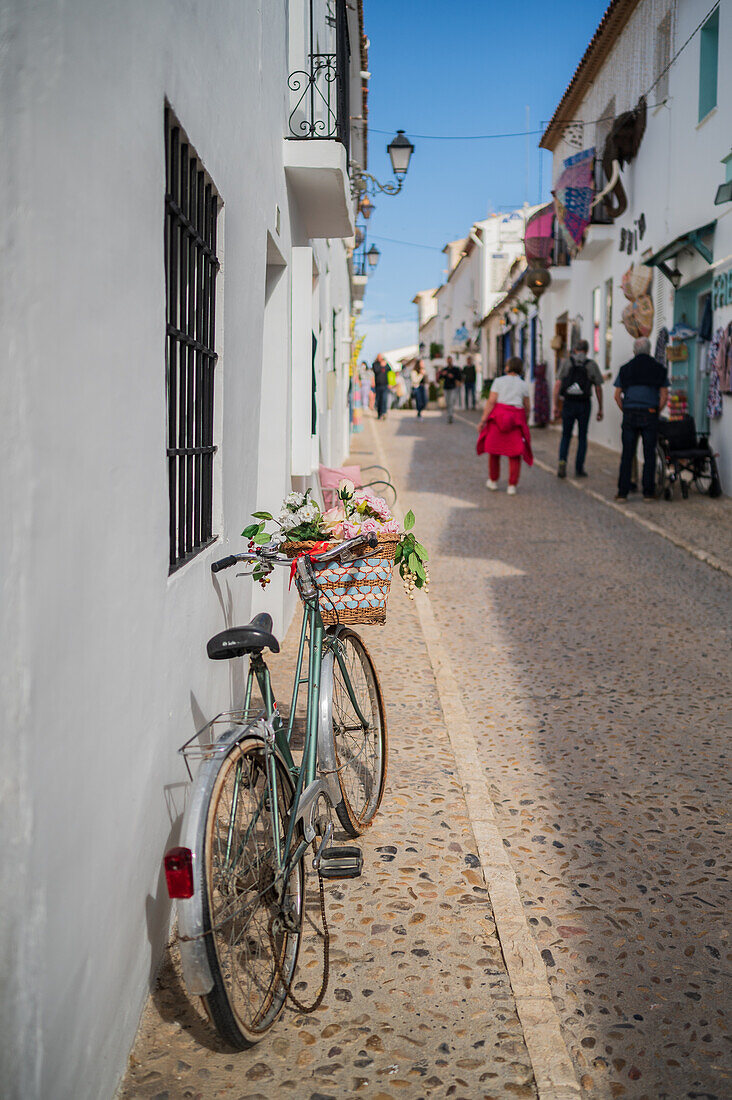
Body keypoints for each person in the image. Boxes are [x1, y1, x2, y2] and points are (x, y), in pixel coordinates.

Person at [613, 336, 669, 502]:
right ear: (649, 349)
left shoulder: (625, 369)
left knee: (627, 454)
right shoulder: (659, 369)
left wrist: (626, 409)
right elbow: (664, 396)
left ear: (634, 351)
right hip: (649, 414)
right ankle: (648, 492)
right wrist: (655, 411)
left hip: (630, 413)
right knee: (649, 453)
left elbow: (617, 396)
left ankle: (622, 493)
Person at [476, 358, 533, 495]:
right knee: (514, 454)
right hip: (516, 419)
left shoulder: (498, 381)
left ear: (508, 367)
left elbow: (491, 402)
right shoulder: (523, 385)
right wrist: (525, 421)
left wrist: (483, 420)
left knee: (494, 451)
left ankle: (493, 481)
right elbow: (527, 406)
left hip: (498, 418)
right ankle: (512, 485)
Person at [553, 338, 604, 478]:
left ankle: (562, 462)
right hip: (584, 404)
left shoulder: (566, 363)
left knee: (566, 435)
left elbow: (558, 384)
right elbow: (598, 387)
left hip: (568, 403)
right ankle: (579, 467)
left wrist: (556, 405)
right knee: (582, 436)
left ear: (575, 349)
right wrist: (600, 408)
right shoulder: (591, 365)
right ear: (587, 351)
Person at [438, 356, 463, 423]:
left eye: (450, 360)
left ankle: (450, 416)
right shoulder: (445, 369)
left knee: (451, 401)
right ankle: (449, 415)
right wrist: (443, 374)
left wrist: (453, 377)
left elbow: (459, 377)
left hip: (453, 387)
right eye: (448, 360)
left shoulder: (455, 369)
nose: (449, 362)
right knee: (448, 402)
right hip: (446, 388)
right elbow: (440, 378)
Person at [372, 353, 389, 419]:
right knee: (379, 400)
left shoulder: (385, 364)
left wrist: (385, 365)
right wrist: (382, 366)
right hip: (378, 385)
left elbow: (390, 370)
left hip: (385, 385)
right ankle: (379, 413)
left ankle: (384, 412)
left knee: (384, 399)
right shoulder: (375, 364)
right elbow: (376, 370)